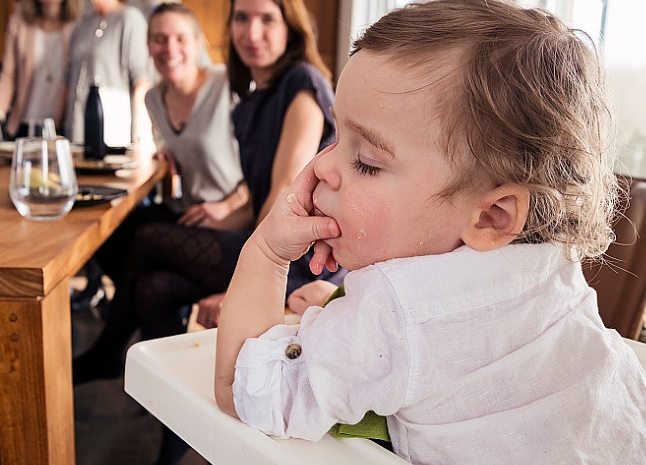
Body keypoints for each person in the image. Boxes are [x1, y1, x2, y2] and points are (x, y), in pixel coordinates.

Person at [214, 1, 646, 464]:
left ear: (493, 216)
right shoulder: (552, 268)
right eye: (336, 137)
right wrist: (345, 315)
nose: (321, 165)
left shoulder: (394, 312)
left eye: (367, 162)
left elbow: (244, 388)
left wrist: (267, 252)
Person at [74, 0, 344, 462]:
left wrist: (249, 289)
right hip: (265, 240)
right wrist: (218, 217)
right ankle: (172, 437)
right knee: (153, 288)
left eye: (266, 19)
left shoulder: (302, 84)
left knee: (146, 235)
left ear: (290, 27)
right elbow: (256, 196)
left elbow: (284, 200)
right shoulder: (253, 98)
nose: (251, 32)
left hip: (291, 261)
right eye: (241, 18)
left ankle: (109, 351)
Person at [63, 0, 151, 148]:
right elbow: (69, 77)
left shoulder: (130, 19)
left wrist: (141, 136)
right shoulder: (82, 23)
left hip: (112, 132)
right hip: (75, 129)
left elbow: (141, 81)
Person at [0, 0, 83, 140]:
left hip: (61, 127)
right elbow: (8, 75)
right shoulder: (18, 24)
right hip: (23, 124)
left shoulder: (79, 27)